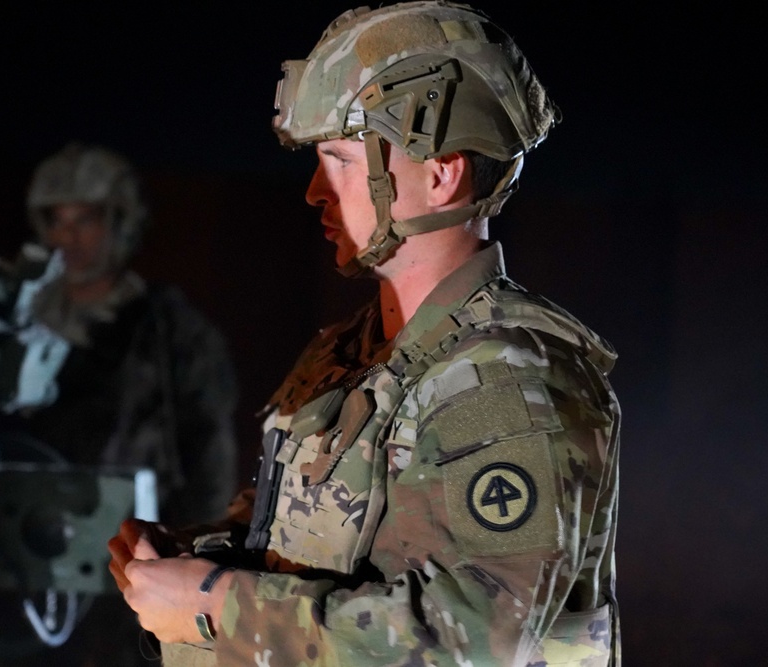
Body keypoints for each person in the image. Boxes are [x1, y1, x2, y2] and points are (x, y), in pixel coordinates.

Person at [108, 3, 621, 666]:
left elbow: (480, 641)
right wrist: (181, 561)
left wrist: (215, 605)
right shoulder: (347, 357)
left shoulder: (511, 378)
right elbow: (286, 541)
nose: (316, 192)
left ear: (442, 174)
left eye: (341, 160)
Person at [0, 143, 240, 667]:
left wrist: (196, 567)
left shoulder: (168, 332)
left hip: (133, 563)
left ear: (121, 223)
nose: (68, 236)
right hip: (27, 557)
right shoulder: (13, 324)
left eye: (87, 220)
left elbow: (210, 456)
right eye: (56, 220)